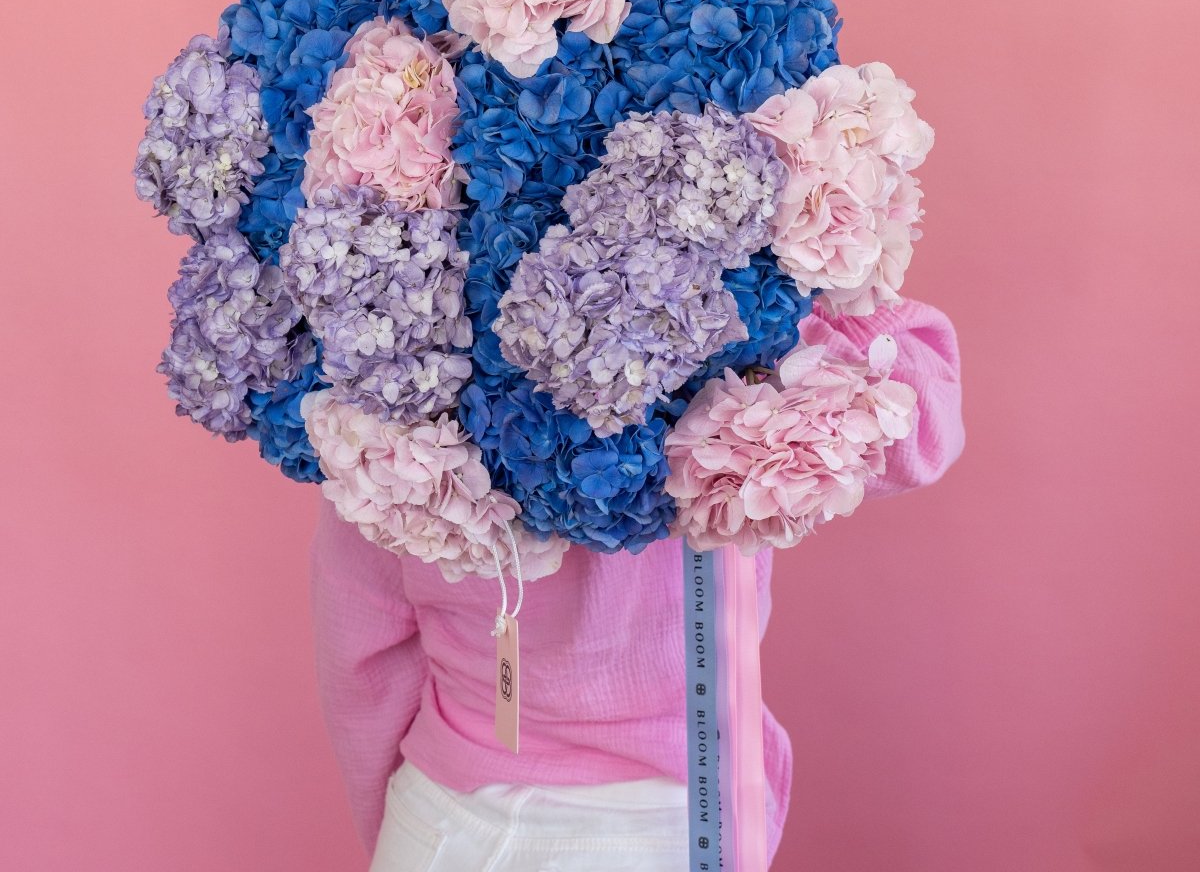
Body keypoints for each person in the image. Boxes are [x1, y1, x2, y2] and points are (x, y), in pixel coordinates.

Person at [310, 298, 965, 871]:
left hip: (452, 810)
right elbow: (924, 422)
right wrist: (784, 309)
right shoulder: (750, 318)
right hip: (679, 811)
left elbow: (363, 651)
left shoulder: (394, 358)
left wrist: (403, 829)